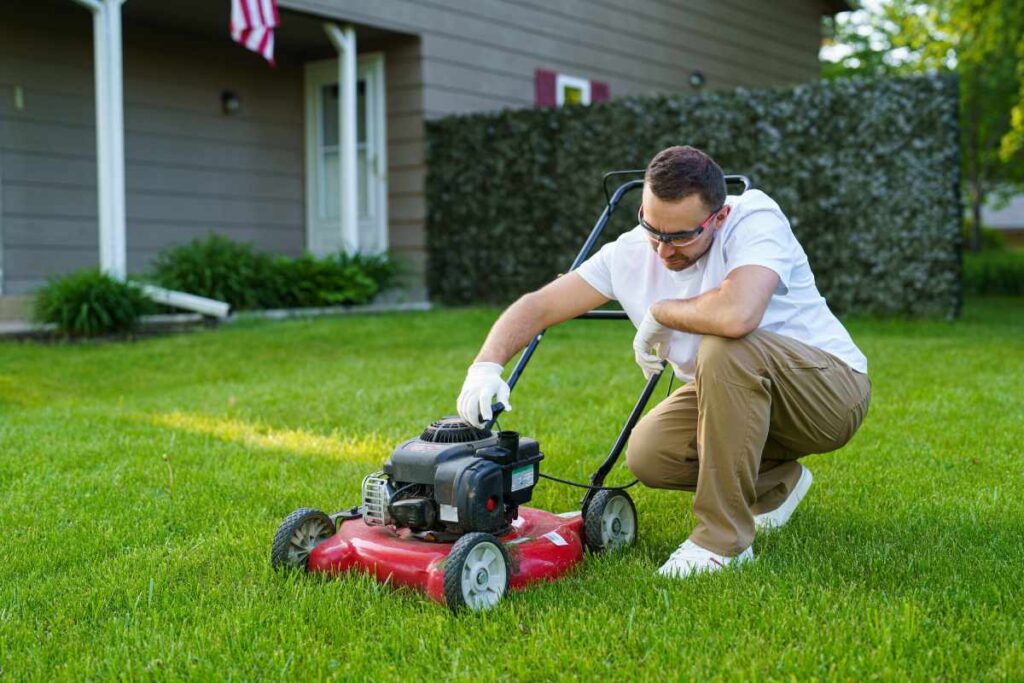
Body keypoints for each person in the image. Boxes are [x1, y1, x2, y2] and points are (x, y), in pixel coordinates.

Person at [456, 145, 870, 579]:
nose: (663, 250)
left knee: (726, 345)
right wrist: (485, 366)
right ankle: (776, 485)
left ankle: (721, 543)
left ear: (719, 217)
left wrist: (661, 312)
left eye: (681, 236)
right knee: (651, 454)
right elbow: (539, 306)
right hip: (740, 399)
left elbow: (738, 314)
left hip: (829, 393)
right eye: (654, 229)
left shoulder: (755, 217)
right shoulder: (629, 252)